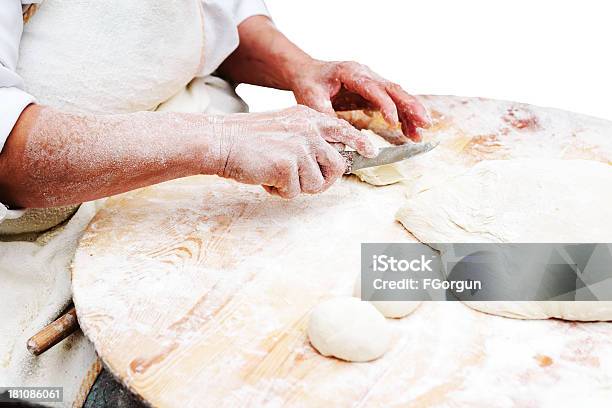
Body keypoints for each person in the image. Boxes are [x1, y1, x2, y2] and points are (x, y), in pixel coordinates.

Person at [0, 1, 430, 406]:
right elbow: (9, 157)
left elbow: (212, 19)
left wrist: (302, 68)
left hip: (192, 184)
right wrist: (222, 142)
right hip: (47, 234)